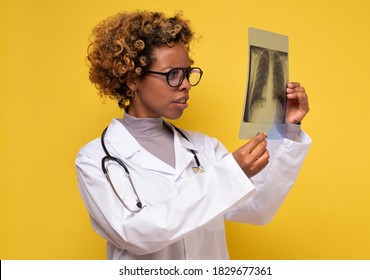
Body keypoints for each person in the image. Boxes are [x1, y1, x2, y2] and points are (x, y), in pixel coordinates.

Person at [75, 10, 311, 260]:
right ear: (133, 80)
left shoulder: (205, 148)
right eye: (172, 74)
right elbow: (135, 233)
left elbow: (258, 209)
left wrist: (288, 128)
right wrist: (230, 173)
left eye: (187, 73)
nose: (186, 84)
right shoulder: (95, 159)